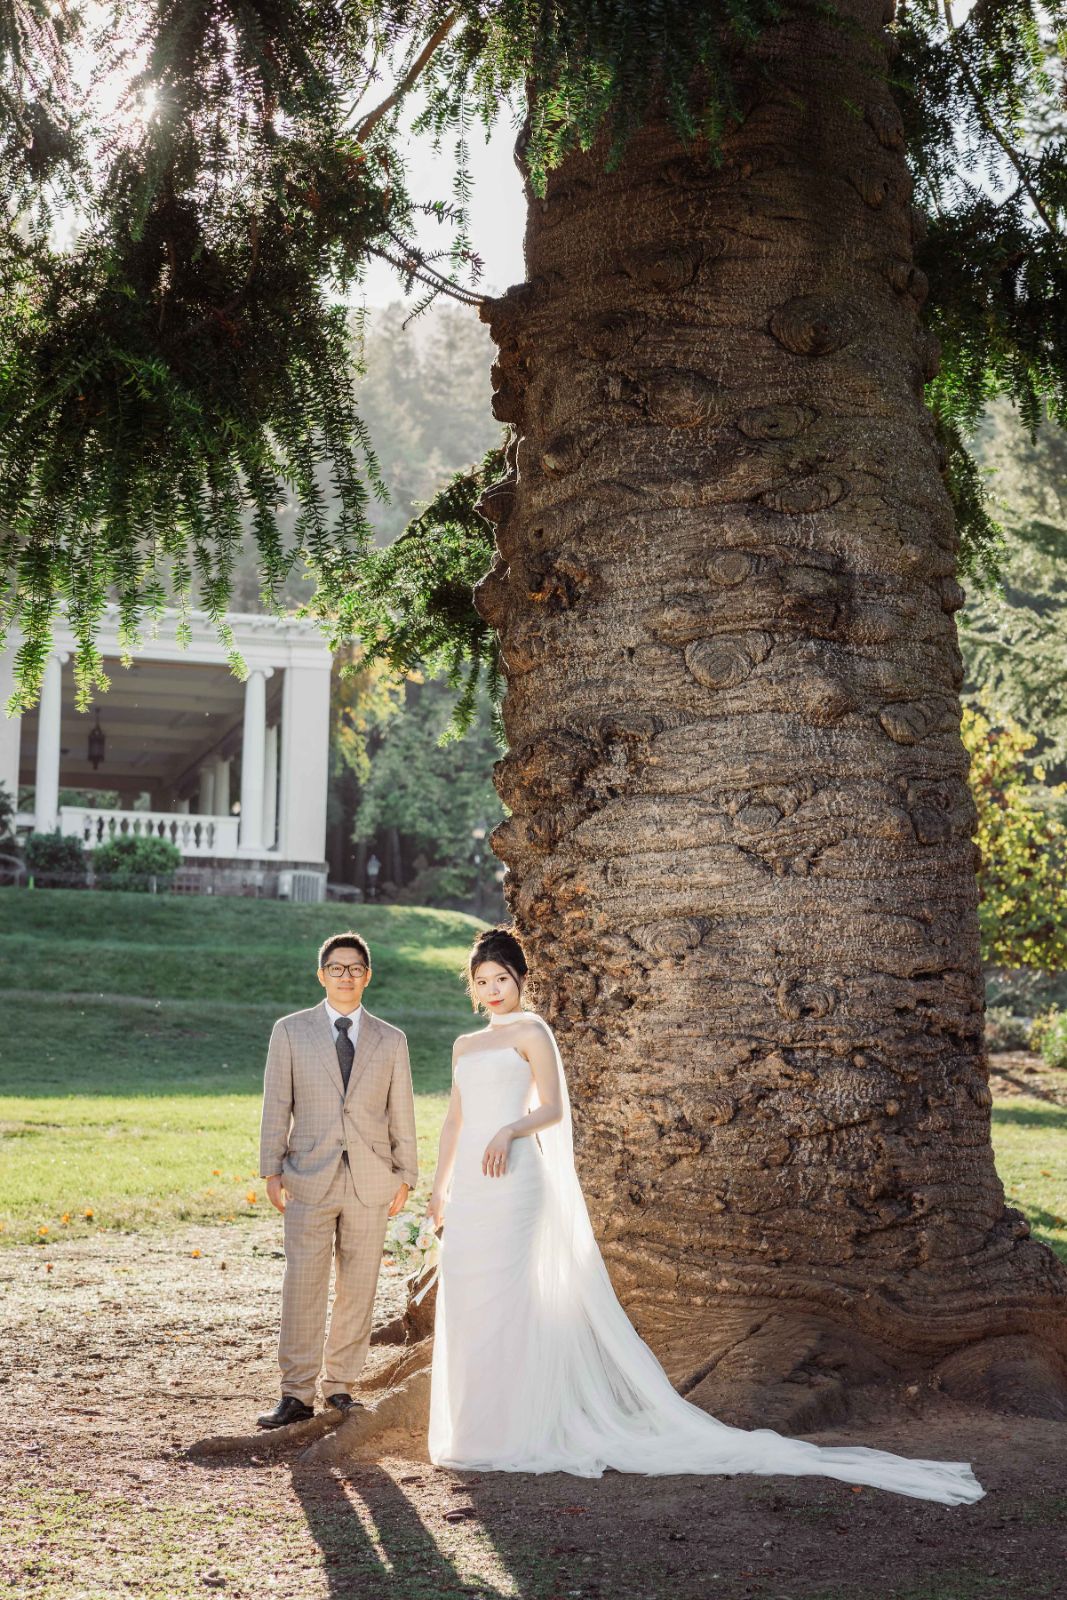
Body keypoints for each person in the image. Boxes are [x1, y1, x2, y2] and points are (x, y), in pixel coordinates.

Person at [425, 926, 985, 1504]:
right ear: (472, 987)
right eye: (483, 982)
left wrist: (510, 1129)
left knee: (513, 1301)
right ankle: (472, 1430)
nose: (493, 991)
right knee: (470, 1299)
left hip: (517, 1182)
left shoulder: (532, 1031)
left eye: (503, 980)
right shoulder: (465, 1045)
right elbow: (452, 1121)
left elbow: (552, 1109)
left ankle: (517, 1429)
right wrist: (440, 1189)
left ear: (520, 980)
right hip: (472, 1188)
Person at [256, 931, 418, 1429]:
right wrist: (271, 1166)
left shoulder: (391, 1040)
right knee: (302, 1283)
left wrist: (406, 1173)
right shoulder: (290, 1031)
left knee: (358, 1286)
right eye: (336, 967)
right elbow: (276, 1103)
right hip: (306, 1175)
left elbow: (401, 1112)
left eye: (354, 968)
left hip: (372, 1180)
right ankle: (296, 1392)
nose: (345, 975)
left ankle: (341, 1387)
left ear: (367, 976)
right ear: (320, 974)